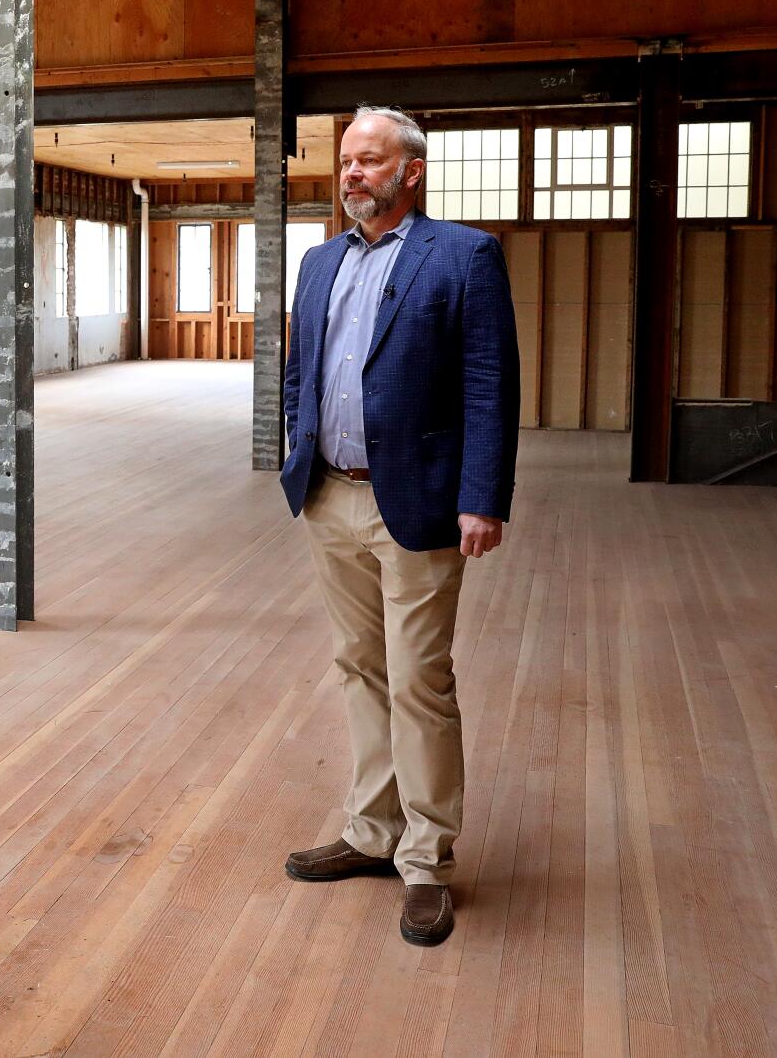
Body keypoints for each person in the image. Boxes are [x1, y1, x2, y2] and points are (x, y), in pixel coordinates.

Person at [278, 106, 519, 947]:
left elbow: (490, 383)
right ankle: (371, 831)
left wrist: (482, 495)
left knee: (420, 678)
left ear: (410, 171)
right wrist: (295, 450)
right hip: (329, 495)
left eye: (370, 161)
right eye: (345, 160)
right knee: (358, 666)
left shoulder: (463, 256)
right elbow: (299, 368)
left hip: (414, 499)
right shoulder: (318, 263)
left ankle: (426, 860)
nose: (352, 174)